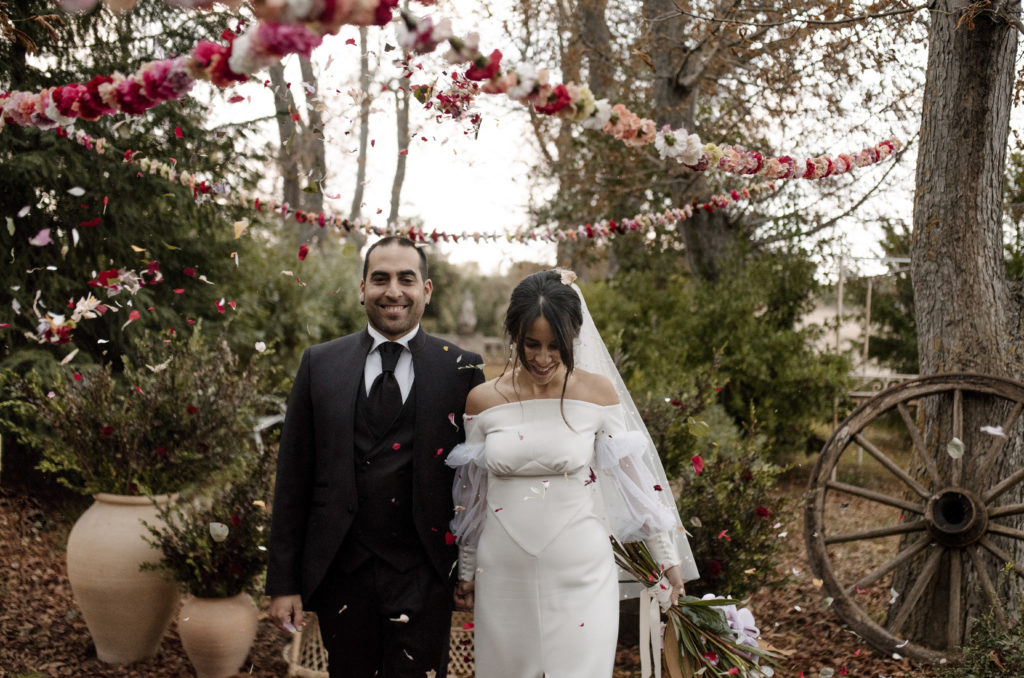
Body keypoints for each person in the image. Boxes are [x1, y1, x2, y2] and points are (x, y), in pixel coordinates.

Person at [447, 269, 699, 678]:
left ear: (574, 338)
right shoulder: (482, 400)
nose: (543, 358)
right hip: (503, 573)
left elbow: (636, 484)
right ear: (514, 335)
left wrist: (668, 562)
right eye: (532, 345)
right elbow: (473, 496)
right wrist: (468, 568)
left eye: (555, 346)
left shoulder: (598, 394)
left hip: (581, 570)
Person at [266, 236, 485, 678]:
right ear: (362, 288)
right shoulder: (319, 364)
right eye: (380, 279)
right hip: (342, 572)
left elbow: (475, 482)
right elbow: (293, 477)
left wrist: (471, 567)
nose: (393, 291)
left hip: (424, 573)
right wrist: (283, 583)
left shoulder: (461, 369)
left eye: (406, 279)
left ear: (426, 290)